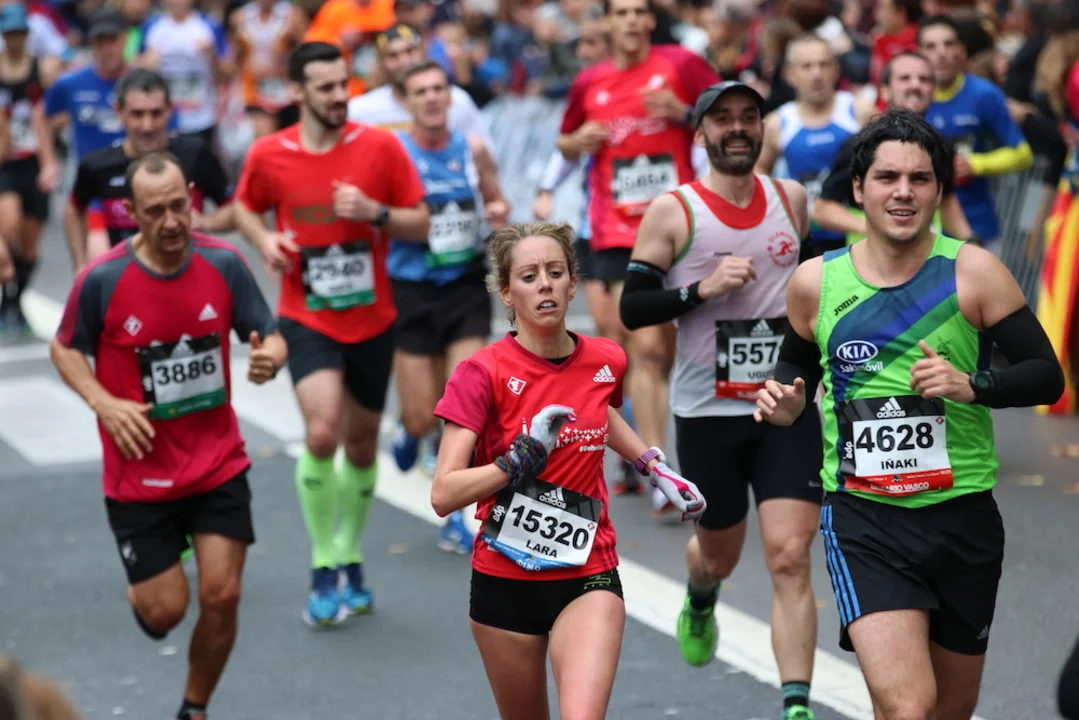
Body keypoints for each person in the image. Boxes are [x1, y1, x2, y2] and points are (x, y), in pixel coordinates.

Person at [754, 109, 1064, 720]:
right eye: (888, 177)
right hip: (865, 518)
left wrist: (973, 384)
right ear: (859, 188)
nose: (903, 192)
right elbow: (793, 379)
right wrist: (785, 405)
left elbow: (1046, 375)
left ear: (938, 190)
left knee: (950, 708)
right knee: (907, 705)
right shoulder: (816, 283)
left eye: (920, 179)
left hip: (963, 517)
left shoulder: (973, 272)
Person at [431, 221, 706, 720]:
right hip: (504, 580)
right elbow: (444, 493)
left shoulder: (606, 359)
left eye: (555, 272)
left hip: (588, 572)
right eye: (529, 276)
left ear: (573, 284)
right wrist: (517, 460)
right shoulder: (481, 373)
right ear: (507, 293)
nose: (545, 285)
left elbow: (600, 413)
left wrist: (652, 464)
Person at [49, 151, 288, 720]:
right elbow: (64, 348)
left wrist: (270, 359)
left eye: (180, 205)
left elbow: (270, 334)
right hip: (140, 473)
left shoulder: (224, 264)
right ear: (131, 212)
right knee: (165, 613)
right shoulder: (102, 279)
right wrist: (104, 402)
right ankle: (149, 590)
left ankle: (194, 708)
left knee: (223, 595)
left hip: (216, 463)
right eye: (155, 211)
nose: (172, 221)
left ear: (193, 197)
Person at [620, 80, 822, 720]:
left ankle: (796, 704)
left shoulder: (791, 199)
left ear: (762, 128)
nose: (737, 128)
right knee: (719, 555)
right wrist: (699, 291)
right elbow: (632, 308)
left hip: (785, 406)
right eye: (722, 118)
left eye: (748, 117)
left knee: (790, 555)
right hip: (707, 413)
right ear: (701, 132)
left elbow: (812, 288)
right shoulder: (674, 211)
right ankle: (702, 593)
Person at [234, 41, 429, 626]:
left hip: (372, 319)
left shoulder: (381, 147)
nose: (339, 95)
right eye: (324, 87)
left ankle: (349, 553)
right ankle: (323, 562)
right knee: (321, 434)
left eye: (343, 83)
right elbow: (245, 207)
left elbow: (422, 223)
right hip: (306, 316)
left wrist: (375, 213)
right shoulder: (270, 153)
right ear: (297, 92)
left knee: (362, 446)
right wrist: (265, 239)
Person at [557, 0, 719, 496]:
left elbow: (730, 119)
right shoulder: (591, 81)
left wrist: (684, 113)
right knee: (634, 348)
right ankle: (651, 463)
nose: (630, 21)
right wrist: (578, 140)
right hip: (614, 230)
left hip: (673, 225)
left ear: (650, 20)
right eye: (621, 12)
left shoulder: (681, 65)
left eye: (638, 12)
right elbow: (564, 143)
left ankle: (644, 446)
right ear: (607, 22)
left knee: (656, 350)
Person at [386, 59, 510, 552]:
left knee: (464, 408)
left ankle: (457, 518)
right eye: (421, 91)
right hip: (412, 289)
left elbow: (497, 200)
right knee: (422, 416)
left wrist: (497, 212)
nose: (433, 98)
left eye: (440, 89)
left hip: (463, 287)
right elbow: (378, 219)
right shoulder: (395, 154)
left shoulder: (472, 148)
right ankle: (408, 428)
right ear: (406, 101)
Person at [65, 68, 235, 272]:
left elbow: (238, 209)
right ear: (119, 111)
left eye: (156, 113)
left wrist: (205, 222)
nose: (147, 126)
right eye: (137, 114)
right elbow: (74, 208)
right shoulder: (97, 165)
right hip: (125, 280)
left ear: (169, 110)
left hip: (188, 274)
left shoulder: (196, 154)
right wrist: (80, 264)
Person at [812, 51, 975, 244]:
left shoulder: (942, 144)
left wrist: (970, 240)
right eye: (905, 78)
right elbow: (823, 209)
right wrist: (880, 227)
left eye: (924, 79)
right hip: (869, 259)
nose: (915, 85)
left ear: (933, 90)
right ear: (885, 91)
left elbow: (946, 199)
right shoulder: (860, 145)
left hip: (928, 258)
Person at [755, 33, 877, 259]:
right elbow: (759, 169)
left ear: (836, 69)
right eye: (807, 66)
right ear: (789, 74)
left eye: (823, 64)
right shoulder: (778, 123)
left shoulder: (860, 112)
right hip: (804, 238)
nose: (816, 74)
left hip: (858, 235)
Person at [918, 14, 1033, 249]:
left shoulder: (984, 95)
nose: (941, 53)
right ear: (918, 52)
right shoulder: (910, 95)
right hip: (919, 231)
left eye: (949, 44)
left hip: (976, 228)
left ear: (961, 49)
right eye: (931, 46)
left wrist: (975, 164)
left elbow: (1023, 154)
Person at [0, 1, 59, 339]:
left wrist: (50, 150)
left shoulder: (42, 70)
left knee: (30, 244)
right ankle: (7, 297)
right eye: (10, 34)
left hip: (36, 161)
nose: (15, 39)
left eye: (20, 33)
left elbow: (57, 112)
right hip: (5, 162)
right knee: (8, 226)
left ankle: (14, 302)